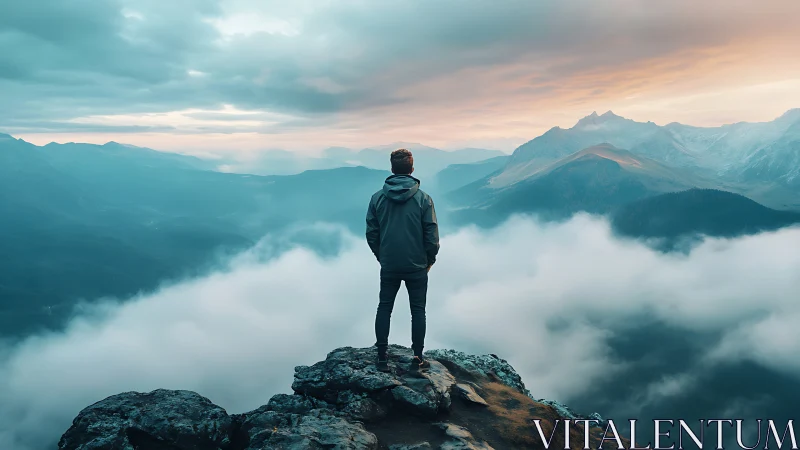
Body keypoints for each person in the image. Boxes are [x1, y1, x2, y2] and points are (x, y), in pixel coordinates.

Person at [366, 148, 440, 372]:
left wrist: (382, 256)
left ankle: (381, 357)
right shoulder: (423, 199)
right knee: (418, 310)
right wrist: (429, 260)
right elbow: (431, 235)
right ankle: (417, 357)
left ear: (392, 169)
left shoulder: (377, 198)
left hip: (389, 264)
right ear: (412, 169)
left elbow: (372, 233)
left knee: (384, 307)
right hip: (417, 265)